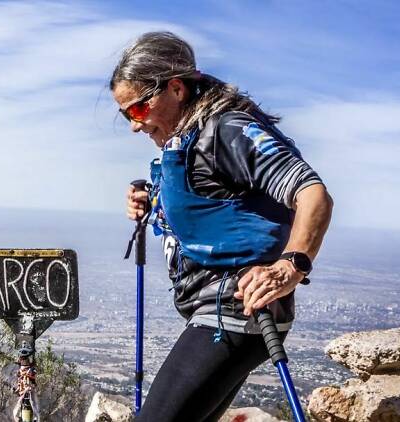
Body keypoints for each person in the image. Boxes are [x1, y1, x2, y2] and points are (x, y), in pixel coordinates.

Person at [111, 31, 333, 421]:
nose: (134, 125)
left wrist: (290, 265)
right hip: (226, 313)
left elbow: (312, 192)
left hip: (235, 309)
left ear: (176, 89)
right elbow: (215, 199)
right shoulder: (188, 141)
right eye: (126, 114)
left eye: (139, 109)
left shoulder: (226, 129)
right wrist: (154, 201)